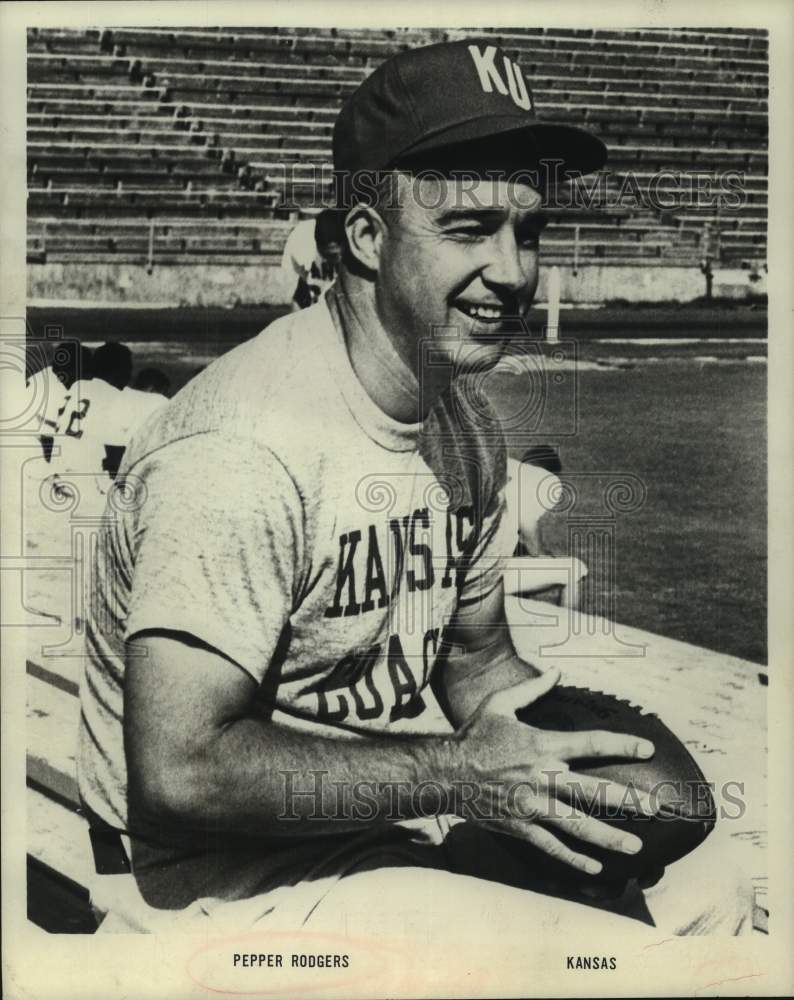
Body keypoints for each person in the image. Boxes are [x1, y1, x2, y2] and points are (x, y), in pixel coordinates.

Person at [77, 39, 751, 940]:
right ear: (366, 237)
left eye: (529, 230)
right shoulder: (240, 451)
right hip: (213, 882)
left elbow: (474, 662)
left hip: (373, 834)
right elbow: (182, 769)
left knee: (718, 895)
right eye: (469, 229)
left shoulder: (459, 422)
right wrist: (461, 775)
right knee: (629, 954)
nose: (513, 271)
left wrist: (566, 759)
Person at [280, 207, 343, 310]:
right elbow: (300, 294)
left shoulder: (358, 250)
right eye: (325, 254)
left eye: (333, 255)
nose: (328, 260)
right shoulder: (301, 242)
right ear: (317, 245)